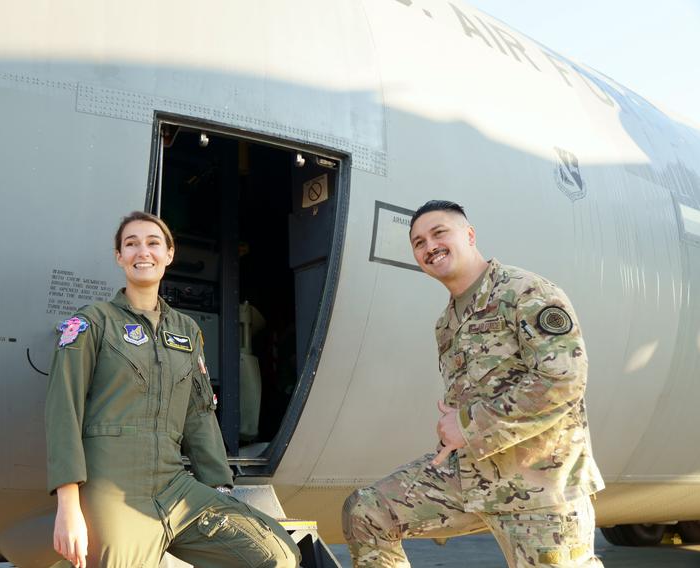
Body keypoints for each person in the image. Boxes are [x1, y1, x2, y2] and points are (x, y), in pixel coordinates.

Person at [342, 200, 605, 567]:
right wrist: (456, 426)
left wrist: (468, 424)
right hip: (471, 478)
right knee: (368, 512)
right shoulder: (446, 322)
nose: (429, 246)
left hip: (540, 487)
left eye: (438, 233)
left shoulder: (525, 292)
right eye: (418, 243)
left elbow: (562, 379)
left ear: (469, 235)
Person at [45, 211, 299, 568]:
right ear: (119, 257)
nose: (142, 252)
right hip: (112, 484)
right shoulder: (91, 322)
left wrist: (219, 489)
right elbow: (63, 410)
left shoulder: (187, 330)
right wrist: (68, 507)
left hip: (174, 484)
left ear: (169, 254)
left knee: (276, 556)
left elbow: (199, 412)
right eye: (130, 244)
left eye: (153, 243)